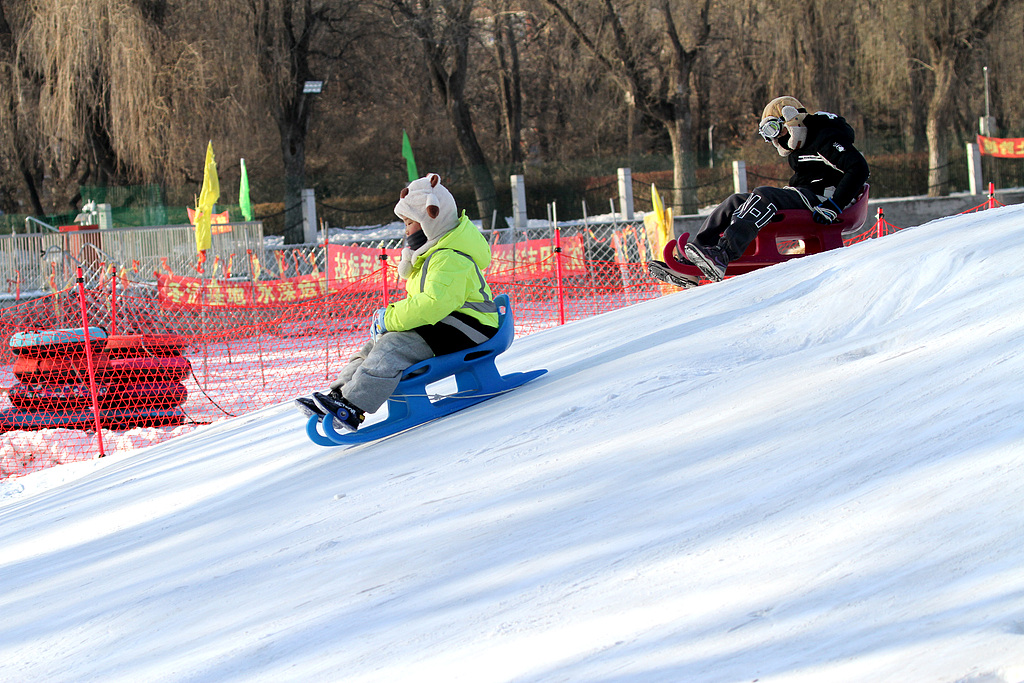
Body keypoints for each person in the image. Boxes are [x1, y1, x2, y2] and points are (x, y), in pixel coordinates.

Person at [295, 173, 499, 431]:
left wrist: (389, 318)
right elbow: (427, 306)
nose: (406, 230)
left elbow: (433, 304)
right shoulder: (430, 254)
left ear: (430, 220)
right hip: (450, 323)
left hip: (473, 325)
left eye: (410, 222)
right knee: (378, 342)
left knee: (393, 345)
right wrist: (390, 323)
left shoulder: (449, 257)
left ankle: (351, 407)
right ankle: (339, 395)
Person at [683, 95, 870, 282]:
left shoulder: (825, 136)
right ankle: (693, 259)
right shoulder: (799, 149)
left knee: (764, 194)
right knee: (736, 201)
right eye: (769, 134)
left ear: (791, 119)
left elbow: (859, 168)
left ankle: (724, 252)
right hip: (807, 196)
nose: (778, 138)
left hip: (825, 201)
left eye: (775, 128)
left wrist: (834, 205)